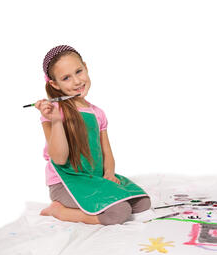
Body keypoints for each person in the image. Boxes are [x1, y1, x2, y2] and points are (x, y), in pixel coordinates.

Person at [36, 45, 151, 225]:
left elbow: (106, 151)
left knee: (142, 203)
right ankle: (59, 210)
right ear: (54, 84)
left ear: (86, 67)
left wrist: (110, 174)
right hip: (66, 182)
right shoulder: (52, 111)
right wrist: (57, 121)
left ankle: (102, 196)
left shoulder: (98, 113)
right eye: (66, 78)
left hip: (93, 178)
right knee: (119, 212)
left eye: (78, 71)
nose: (76, 81)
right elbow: (59, 159)